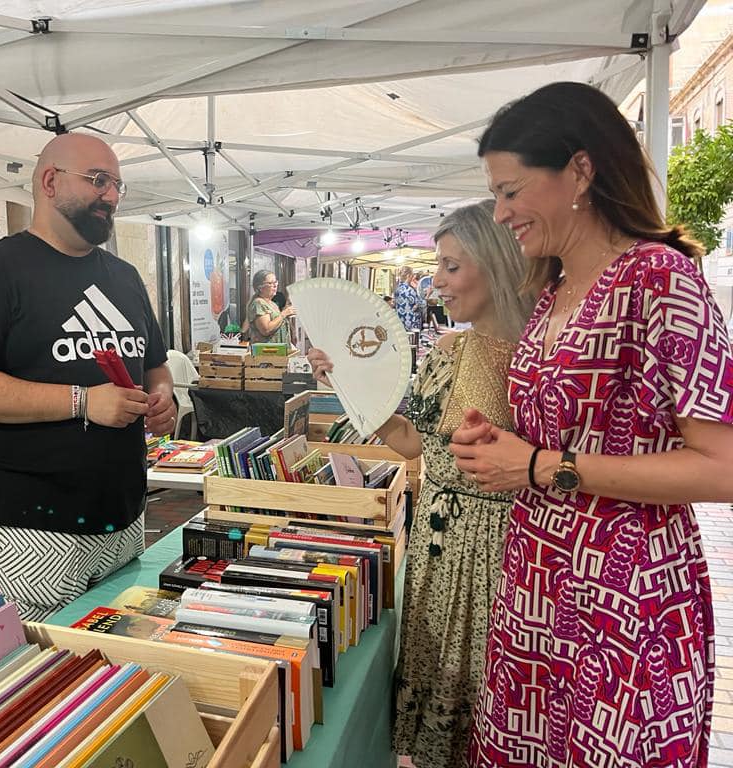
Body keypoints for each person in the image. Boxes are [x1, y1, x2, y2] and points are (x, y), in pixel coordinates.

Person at [451, 81, 733, 767]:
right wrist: (500, 446)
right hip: (537, 587)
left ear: (580, 170)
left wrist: (541, 465)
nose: (501, 212)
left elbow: (723, 467)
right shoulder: (550, 292)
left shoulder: (660, 279)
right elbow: (561, 435)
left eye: (511, 191)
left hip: (626, 597)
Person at [308, 201, 534, 767]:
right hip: (436, 540)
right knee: (436, 680)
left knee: (490, 697)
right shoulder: (449, 348)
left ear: (498, 263)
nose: (438, 282)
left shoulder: (540, 358)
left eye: (452, 267)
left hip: (500, 547)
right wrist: (345, 382)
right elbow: (414, 441)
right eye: (439, 266)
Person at [0, 133, 176, 620]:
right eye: (98, 180)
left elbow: (155, 363)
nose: (111, 195)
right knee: (42, 659)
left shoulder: (125, 276)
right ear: (50, 182)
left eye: (117, 185)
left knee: (115, 654)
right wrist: (83, 401)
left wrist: (163, 397)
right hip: (35, 528)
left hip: (126, 515)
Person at [246, 269, 295, 345]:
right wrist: (284, 314)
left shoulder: (273, 304)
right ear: (260, 287)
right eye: (270, 283)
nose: (275, 285)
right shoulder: (259, 303)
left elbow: (278, 323)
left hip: (279, 349)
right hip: (266, 350)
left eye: (275, 282)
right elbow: (266, 330)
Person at [393, 265, 424, 331]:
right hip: (411, 323)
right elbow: (422, 304)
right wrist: (427, 295)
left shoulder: (397, 289)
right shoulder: (409, 290)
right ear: (408, 276)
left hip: (400, 323)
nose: (412, 277)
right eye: (412, 275)